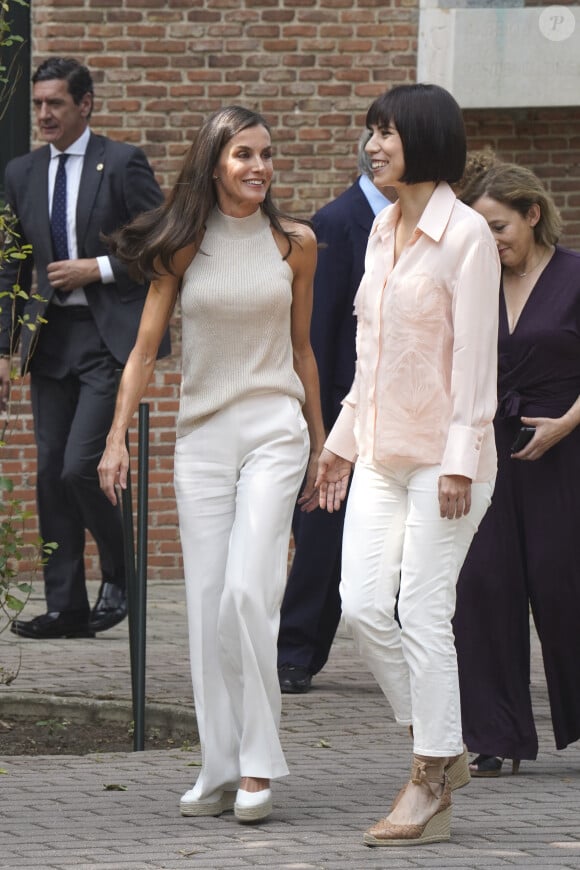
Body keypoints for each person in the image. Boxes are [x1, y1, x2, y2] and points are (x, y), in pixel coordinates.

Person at [97, 106, 325, 823]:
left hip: (273, 428)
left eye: (266, 154)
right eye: (244, 156)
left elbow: (302, 349)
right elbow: (142, 351)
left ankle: (260, 763)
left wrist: (320, 441)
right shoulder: (183, 247)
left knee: (246, 593)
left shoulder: (296, 245)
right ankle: (218, 764)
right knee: (205, 606)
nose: (259, 167)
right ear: (214, 164)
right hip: (200, 436)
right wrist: (116, 437)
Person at [316, 83, 501, 846]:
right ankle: (446, 741)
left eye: (386, 132)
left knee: (423, 612)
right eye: (370, 133)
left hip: (447, 462)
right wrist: (338, 443)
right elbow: (370, 355)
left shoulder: (468, 238)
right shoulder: (381, 229)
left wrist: (461, 458)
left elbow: (477, 362)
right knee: (360, 603)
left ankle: (429, 778)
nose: (373, 145)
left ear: (424, 138)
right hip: (383, 452)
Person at [0, 57, 169, 640]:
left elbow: (161, 244)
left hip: (105, 338)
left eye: (56, 104)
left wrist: (97, 268)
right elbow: (11, 264)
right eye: (39, 104)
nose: (44, 114)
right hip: (49, 342)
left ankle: (119, 572)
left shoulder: (121, 163)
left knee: (80, 467)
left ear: (85, 104)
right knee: (50, 473)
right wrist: (5, 346)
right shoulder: (21, 172)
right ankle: (67, 608)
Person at [454, 162, 580, 776]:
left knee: (564, 588)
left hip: (565, 455)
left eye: (499, 227)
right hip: (488, 456)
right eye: (480, 230)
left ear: (532, 214)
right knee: (482, 589)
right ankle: (494, 735)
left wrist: (567, 422)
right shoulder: (473, 284)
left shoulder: (578, 275)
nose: (491, 241)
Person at [277, 133, 391, 694]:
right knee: (321, 531)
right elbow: (314, 337)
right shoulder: (336, 223)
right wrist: (317, 426)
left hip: (400, 409)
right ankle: (295, 650)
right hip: (343, 409)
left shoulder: (420, 222)